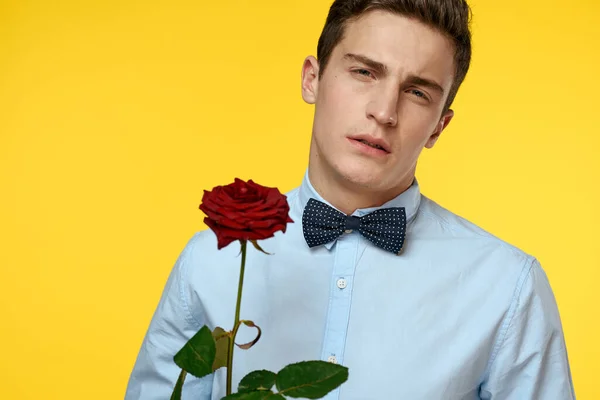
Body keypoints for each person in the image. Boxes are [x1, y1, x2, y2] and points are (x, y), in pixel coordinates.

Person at [125, 0, 576, 399]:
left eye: (417, 92)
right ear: (312, 80)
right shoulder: (212, 262)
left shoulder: (507, 288)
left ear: (439, 126)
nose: (384, 111)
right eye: (364, 72)